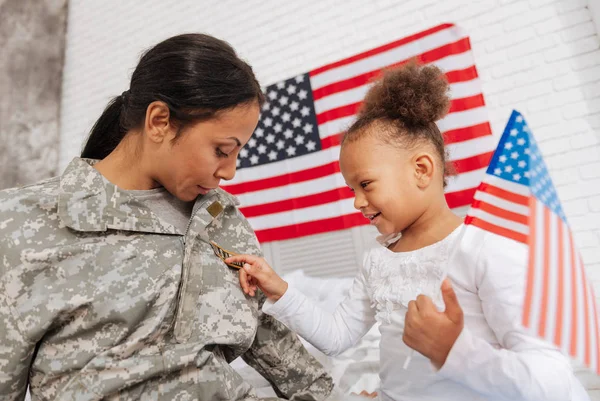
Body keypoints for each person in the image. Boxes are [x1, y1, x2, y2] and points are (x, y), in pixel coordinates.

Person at [226, 62, 589, 401]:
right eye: (352, 189)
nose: (357, 202)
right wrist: (279, 288)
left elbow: (550, 379)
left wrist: (454, 352)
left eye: (366, 184)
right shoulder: (378, 259)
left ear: (421, 170)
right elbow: (337, 338)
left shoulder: (485, 249)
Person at [0, 33, 335, 400]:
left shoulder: (221, 219)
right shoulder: (21, 223)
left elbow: (260, 329)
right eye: (222, 150)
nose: (230, 172)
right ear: (160, 121)